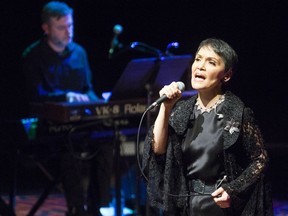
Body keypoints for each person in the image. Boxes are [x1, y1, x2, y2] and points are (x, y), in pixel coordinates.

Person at [142, 38, 273, 215]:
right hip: (188, 207)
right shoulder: (182, 111)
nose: (200, 66)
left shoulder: (237, 112)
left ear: (226, 75)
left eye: (211, 62)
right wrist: (166, 107)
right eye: (198, 59)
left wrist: (233, 190)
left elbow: (260, 159)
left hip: (220, 207)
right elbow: (158, 150)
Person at [22, 2, 112, 216]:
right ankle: (76, 208)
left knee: (106, 140)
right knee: (69, 144)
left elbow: (87, 89)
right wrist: (66, 96)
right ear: (46, 28)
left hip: (80, 122)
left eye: (70, 26)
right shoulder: (33, 56)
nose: (68, 31)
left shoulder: (79, 52)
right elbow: (36, 97)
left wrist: (101, 101)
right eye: (62, 27)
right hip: (49, 127)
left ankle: (96, 206)